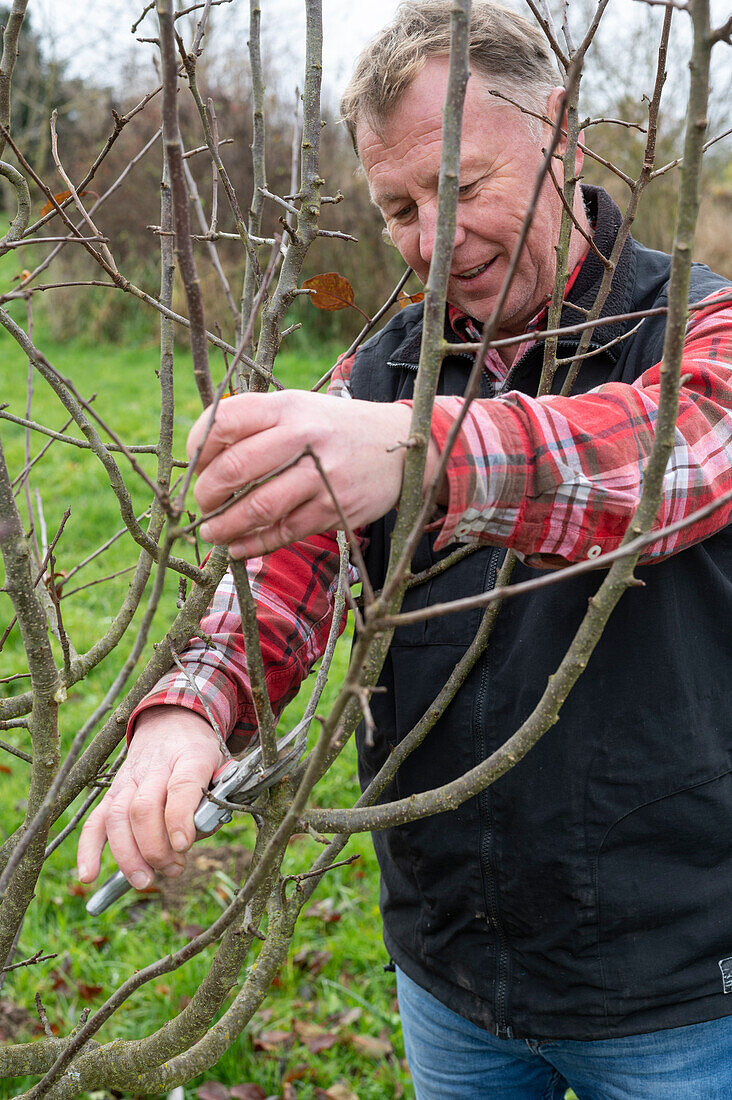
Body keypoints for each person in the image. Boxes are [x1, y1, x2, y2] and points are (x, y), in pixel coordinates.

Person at [77, 3, 732, 1096]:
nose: (431, 245)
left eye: (459, 188)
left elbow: (667, 462)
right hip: (450, 964)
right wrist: (190, 708)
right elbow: (288, 567)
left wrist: (418, 450)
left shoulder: (703, 328)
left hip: (676, 983)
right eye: (397, 209)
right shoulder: (379, 375)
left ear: (561, 134)